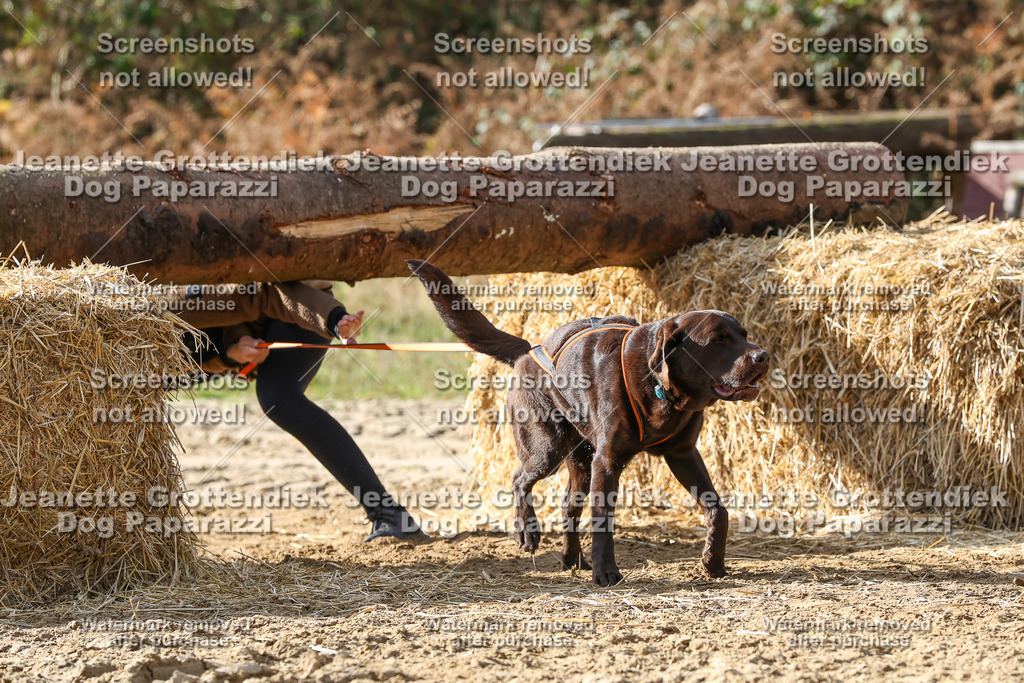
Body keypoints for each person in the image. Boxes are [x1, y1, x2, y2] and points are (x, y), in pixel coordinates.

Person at [165, 280, 428, 543]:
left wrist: (334, 320)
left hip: (301, 305)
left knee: (278, 397)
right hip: (251, 325)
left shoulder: (180, 299)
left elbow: (274, 295)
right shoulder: (145, 353)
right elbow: (201, 360)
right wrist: (233, 352)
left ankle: (389, 514)